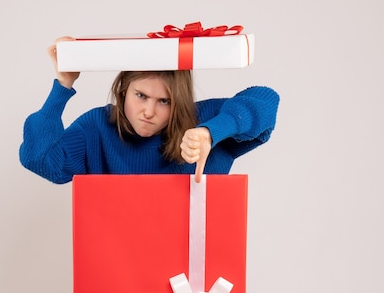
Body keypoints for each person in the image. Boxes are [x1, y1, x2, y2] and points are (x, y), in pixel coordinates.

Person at [20, 37, 280, 184]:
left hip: (193, 271)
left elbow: (266, 101)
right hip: (118, 267)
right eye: (141, 96)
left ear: (179, 102)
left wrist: (211, 133)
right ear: (123, 90)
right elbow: (40, 160)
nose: (148, 111)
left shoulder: (201, 122)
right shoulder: (97, 127)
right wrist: (63, 85)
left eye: (164, 101)